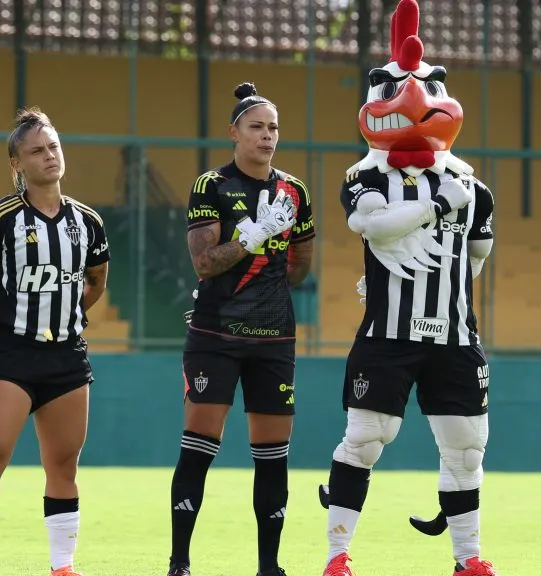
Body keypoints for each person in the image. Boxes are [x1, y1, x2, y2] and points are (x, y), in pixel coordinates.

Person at [316, 2, 498, 576]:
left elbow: (475, 259)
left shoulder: (475, 186)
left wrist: (431, 281)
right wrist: (439, 205)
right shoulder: (367, 174)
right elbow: (371, 225)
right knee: (367, 437)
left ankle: (468, 560)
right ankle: (336, 555)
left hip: (452, 334)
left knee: (466, 449)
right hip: (387, 335)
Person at [168, 82, 316, 576]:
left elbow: (300, 266)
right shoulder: (211, 186)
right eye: (256, 127)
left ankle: (269, 566)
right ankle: (180, 562)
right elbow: (205, 264)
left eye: (273, 128)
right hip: (216, 337)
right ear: (235, 132)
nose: (267, 136)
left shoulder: (295, 192)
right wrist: (254, 236)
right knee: (198, 449)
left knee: (273, 456)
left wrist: (269, 282)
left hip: (274, 340)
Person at [0, 107, 110, 576]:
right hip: (11, 356)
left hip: (67, 358)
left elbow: (97, 279)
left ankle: (62, 566)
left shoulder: (87, 221)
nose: (49, 156)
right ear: (17, 164)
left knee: (63, 463)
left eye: (54, 147)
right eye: (37, 150)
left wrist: (70, 316)